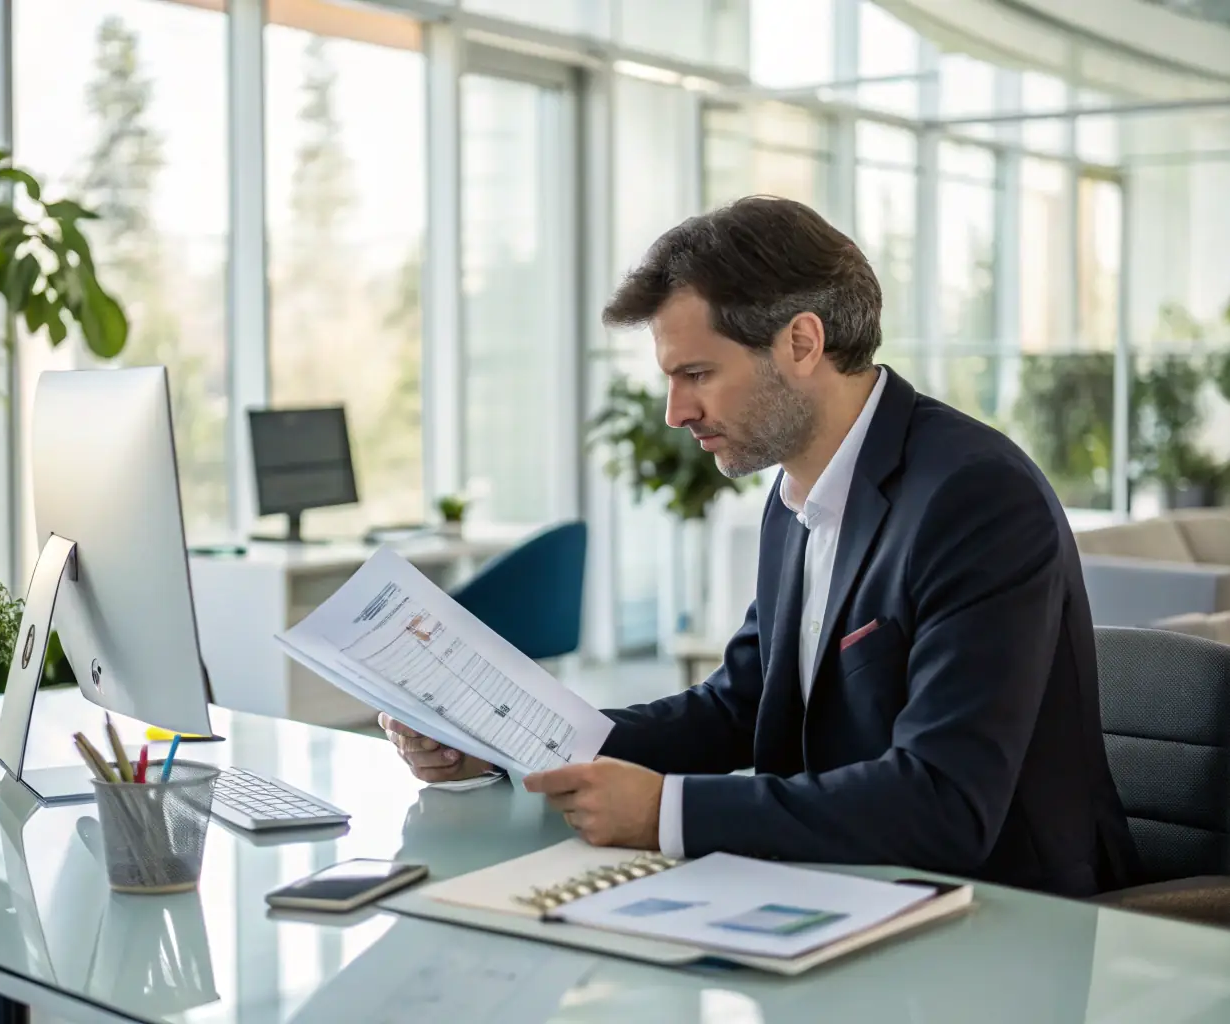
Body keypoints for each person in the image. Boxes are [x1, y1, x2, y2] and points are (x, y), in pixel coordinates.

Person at [380, 195, 1139, 897]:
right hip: (838, 892)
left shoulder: (973, 497)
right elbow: (737, 707)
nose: (676, 411)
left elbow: (946, 801)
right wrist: (514, 743)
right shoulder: (795, 495)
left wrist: (667, 813)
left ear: (801, 342)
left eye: (698, 373)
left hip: (1002, 922)